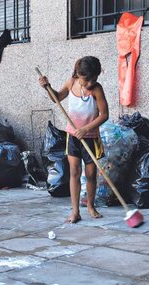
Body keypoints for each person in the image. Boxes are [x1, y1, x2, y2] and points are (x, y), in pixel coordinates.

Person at [39, 56, 109, 223]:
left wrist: (85, 129)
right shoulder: (71, 83)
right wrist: (47, 87)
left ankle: (91, 206)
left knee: (91, 174)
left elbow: (104, 115)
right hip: (73, 137)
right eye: (87, 80)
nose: (90, 83)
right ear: (78, 74)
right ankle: (75, 211)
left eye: (94, 79)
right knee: (74, 172)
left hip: (91, 137)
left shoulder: (97, 89)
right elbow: (56, 97)